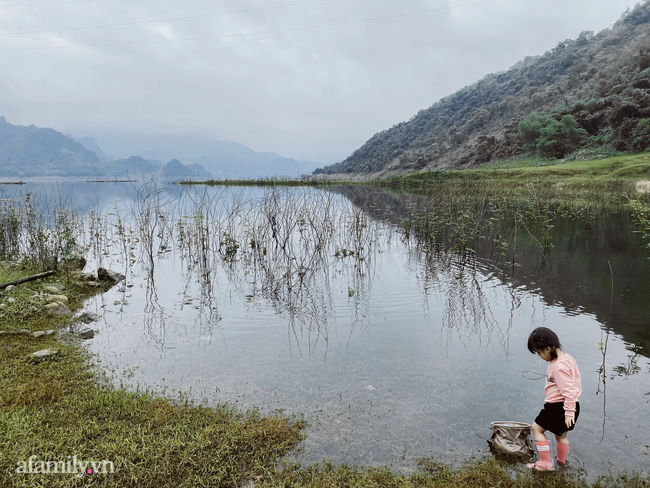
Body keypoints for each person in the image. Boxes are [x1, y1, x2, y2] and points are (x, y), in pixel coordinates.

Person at [526, 327, 582, 470]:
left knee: (536, 428)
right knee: (561, 436)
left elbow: (569, 391)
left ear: (548, 348)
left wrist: (569, 412)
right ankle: (561, 462)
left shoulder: (558, 367)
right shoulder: (567, 358)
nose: (540, 356)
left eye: (539, 352)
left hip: (558, 406)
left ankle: (545, 463)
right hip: (572, 405)